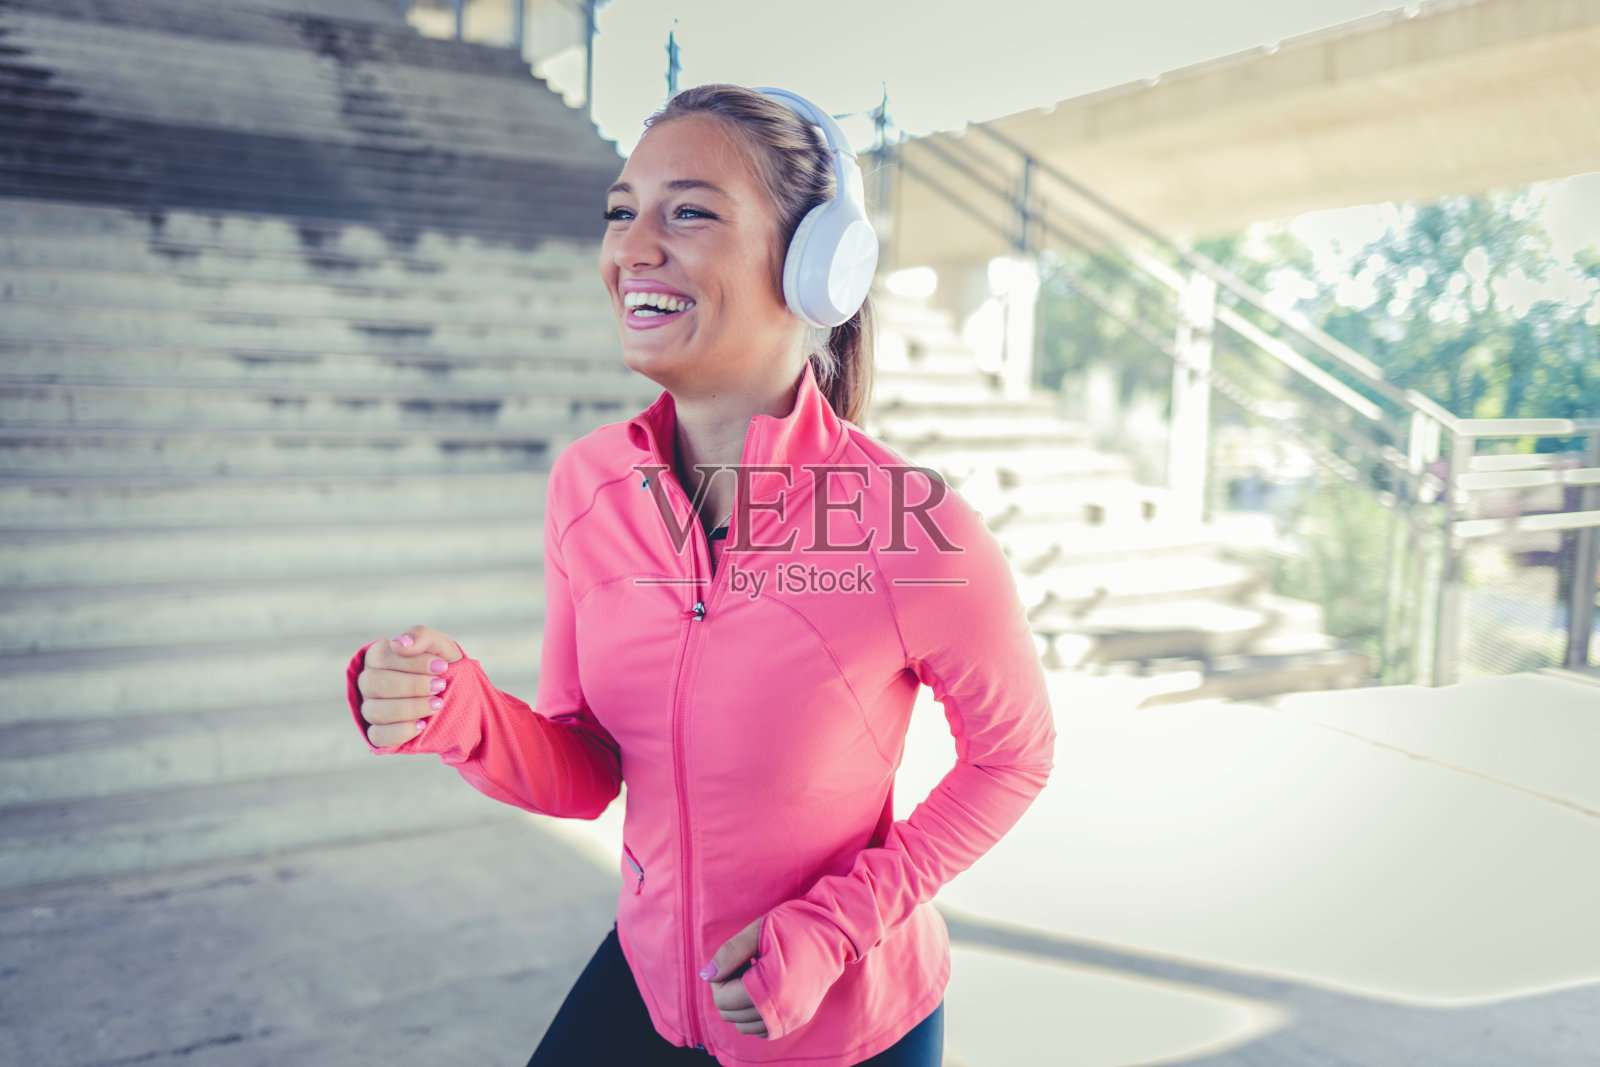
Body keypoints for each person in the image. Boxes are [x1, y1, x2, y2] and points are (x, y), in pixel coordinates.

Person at [345, 83, 1057, 1067]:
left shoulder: (913, 526)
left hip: (845, 1017)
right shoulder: (585, 486)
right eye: (619, 211)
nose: (632, 246)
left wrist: (835, 923)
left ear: (815, 265)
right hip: (649, 976)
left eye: (688, 210)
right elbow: (588, 767)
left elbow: (1011, 758)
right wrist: (460, 711)